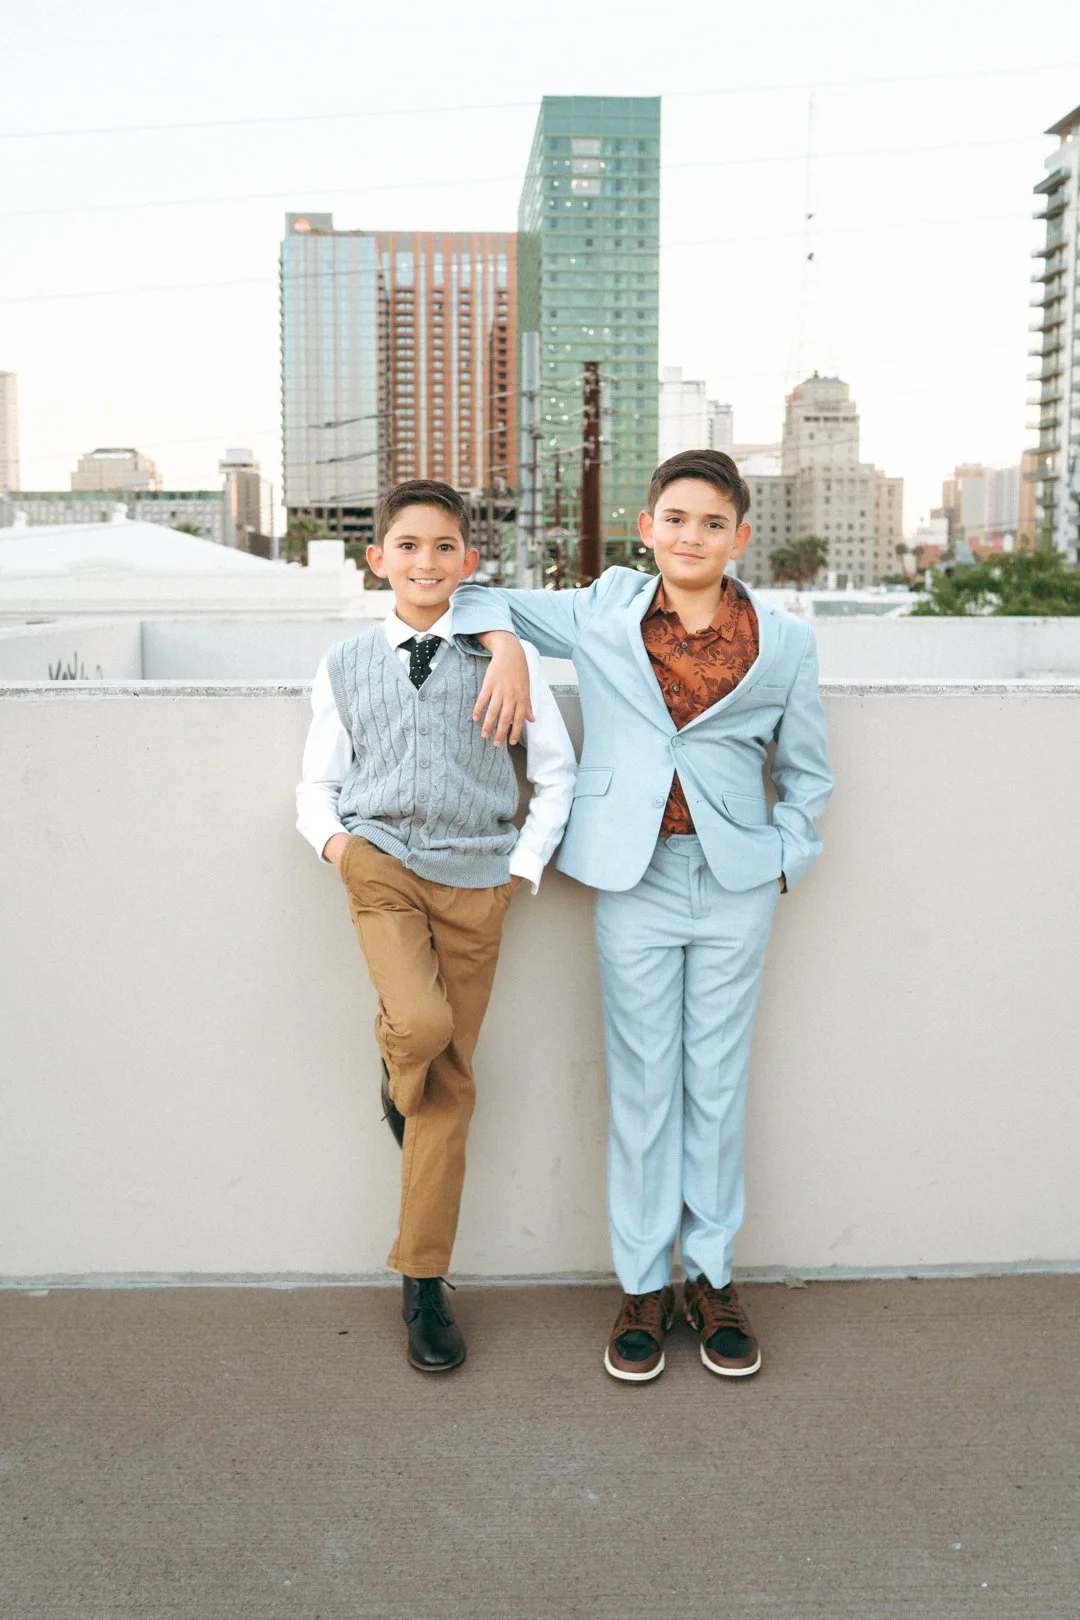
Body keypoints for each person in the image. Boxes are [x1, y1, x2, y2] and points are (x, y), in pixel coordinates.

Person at [452, 449, 834, 1382]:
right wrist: (507, 648)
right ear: (647, 525)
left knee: (715, 1082)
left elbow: (810, 772)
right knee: (643, 1085)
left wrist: (785, 855)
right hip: (633, 877)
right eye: (675, 517)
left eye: (712, 522)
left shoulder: (782, 641)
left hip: (737, 879)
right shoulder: (604, 608)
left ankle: (710, 1277)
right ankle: (642, 1287)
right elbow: (470, 596)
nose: (691, 536)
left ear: (741, 535)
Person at [296, 479, 576, 1373]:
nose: (426, 562)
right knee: (420, 1026)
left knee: (450, 1085)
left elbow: (556, 774)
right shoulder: (344, 663)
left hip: (476, 878)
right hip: (379, 863)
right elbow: (319, 780)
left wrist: (520, 868)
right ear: (378, 558)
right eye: (407, 546)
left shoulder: (503, 658)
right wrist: (337, 845)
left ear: (470, 562)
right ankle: (396, 1063)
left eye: (445, 546)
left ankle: (422, 1284)